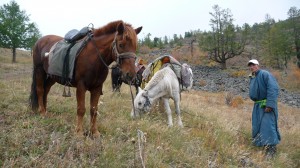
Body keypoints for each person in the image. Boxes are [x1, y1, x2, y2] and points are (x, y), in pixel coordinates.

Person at [248, 59, 281, 159]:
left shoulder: (265, 74)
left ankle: (271, 150)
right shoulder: (253, 77)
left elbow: (273, 88)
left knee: (268, 125)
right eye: (250, 65)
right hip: (258, 106)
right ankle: (263, 146)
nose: (252, 67)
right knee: (258, 125)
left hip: (266, 105)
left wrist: (270, 105)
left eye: (253, 65)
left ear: (258, 65)